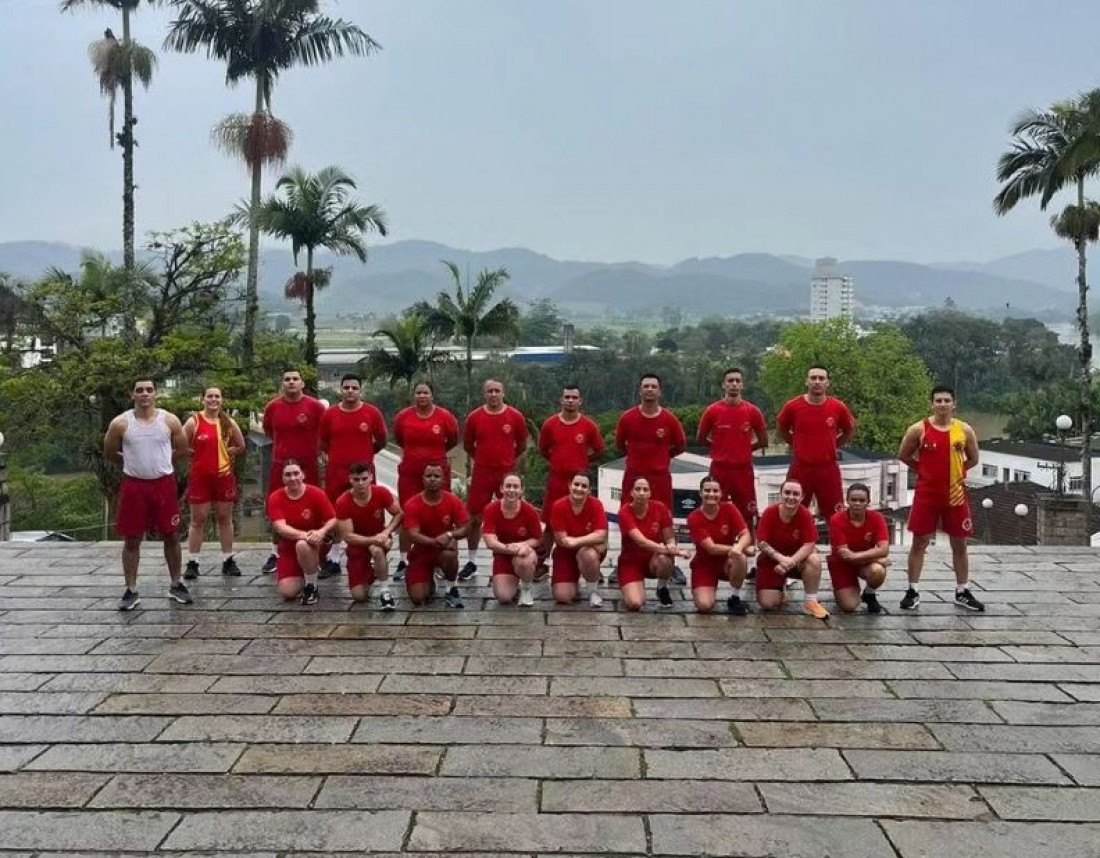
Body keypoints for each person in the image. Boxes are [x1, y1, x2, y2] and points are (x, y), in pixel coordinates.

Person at [103, 378, 191, 611]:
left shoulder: (169, 420)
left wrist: (161, 463)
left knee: (171, 535)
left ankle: (176, 583)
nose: (144, 394)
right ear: (132, 395)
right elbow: (111, 451)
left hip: (164, 485)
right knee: (132, 538)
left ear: (155, 394)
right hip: (134, 486)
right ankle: (131, 589)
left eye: (149, 390)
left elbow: (182, 449)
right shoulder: (121, 423)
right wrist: (132, 463)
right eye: (139, 390)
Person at [897, 385, 984, 612]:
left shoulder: (964, 430)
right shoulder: (919, 429)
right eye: (938, 400)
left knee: (960, 543)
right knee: (919, 542)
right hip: (927, 495)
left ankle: (962, 590)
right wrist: (923, 470)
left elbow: (973, 458)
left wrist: (956, 473)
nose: (942, 404)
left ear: (954, 404)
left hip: (955, 495)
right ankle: (912, 590)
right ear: (932, 403)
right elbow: (904, 455)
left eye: (947, 400)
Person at [615, 373, 687, 584]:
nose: (649, 389)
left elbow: (680, 445)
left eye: (653, 386)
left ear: (659, 391)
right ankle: (624, 561)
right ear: (640, 390)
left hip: (660, 478)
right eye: (645, 386)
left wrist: (661, 458)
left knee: (665, 521)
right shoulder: (627, 418)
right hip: (633, 478)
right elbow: (620, 445)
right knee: (627, 518)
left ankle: (669, 564)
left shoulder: (669, 420)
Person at [320, 373, 388, 578]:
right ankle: (333, 558)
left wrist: (365, 458)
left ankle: (371, 555)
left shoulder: (372, 413)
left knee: (367, 512)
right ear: (340, 390)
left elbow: (382, 441)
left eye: (354, 387)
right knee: (334, 514)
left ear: (360, 390)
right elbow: (322, 442)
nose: (350, 391)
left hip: (364, 475)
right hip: (337, 473)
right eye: (346, 387)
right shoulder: (330, 414)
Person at [461, 379, 529, 581]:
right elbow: (467, 445)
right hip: (482, 472)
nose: (493, 394)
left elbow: (522, 444)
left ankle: (513, 557)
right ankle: (472, 561)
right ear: (484, 394)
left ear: (503, 393)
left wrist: (508, 461)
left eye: (496, 391)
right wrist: (483, 459)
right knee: (474, 518)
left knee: (512, 514)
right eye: (489, 391)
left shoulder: (515, 416)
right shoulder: (475, 417)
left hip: (506, 472)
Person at [260, 369, 326, 574]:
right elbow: (268, 431)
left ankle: (316, 553)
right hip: (281, 465)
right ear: (282, 383)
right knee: (276, 508)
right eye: (287, 379)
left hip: (309, 466)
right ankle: (276, 553)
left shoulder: (315, 407)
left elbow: (324, 432)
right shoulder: (273, 407)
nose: (291, 382)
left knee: (312, 509)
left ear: (302, 383)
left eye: (295, 379)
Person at [392, 381, 460, 580]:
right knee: (407, 516)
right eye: (418, 392)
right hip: (410, 472)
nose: (422, 396)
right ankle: (403, 560)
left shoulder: (445, 417)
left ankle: (440, 559)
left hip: (437, 470)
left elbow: (453, 439)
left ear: (432, 395)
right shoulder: (403, 416)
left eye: (426, 392)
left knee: (441, 514)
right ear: (414, 395)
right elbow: (398, 439)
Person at [182, 387, 246, 580]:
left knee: (224, 518)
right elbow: (181, 445)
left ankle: (228, 559)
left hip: (224, 476)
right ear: (203, 399)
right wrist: (196, 455)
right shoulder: (194, 421)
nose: (213, 399)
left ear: (222, 400)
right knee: (198, 519)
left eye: (217, 396)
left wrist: (226, 453)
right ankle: (193, 561)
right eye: (209, 396)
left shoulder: (228, 422)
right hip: (200, 478)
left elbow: (241, 446)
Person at [537, 384, 605, 563]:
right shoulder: (550, 424)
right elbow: (543, 449)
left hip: (579, 483)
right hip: (557, 481)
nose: (570, 400)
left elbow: (599, 449)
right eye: (567, 397)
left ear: (580, 401)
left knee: (584, 522)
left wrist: (582, 461)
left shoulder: (589, 426)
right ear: (561, 400)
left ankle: (589, 561)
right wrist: (558, 461)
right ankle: (541, 563)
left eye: (574, 397)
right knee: (550, 525)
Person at [776, 366, 856, 518]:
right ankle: (796, 542)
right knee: (793, 511)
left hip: (828, 468)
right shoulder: (793, 406)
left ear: (827, 383)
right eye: (813, 378)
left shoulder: (838, 407)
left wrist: (834, 444)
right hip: (801, 467)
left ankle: (837, 543)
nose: (817, 382)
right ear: (807, 381)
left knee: (835, 515)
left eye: (821, 378)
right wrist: (796, 444)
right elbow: (781, 429)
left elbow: (849, 430)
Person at [697, 368, 768, 529]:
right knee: (714, 506)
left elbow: (763, 441)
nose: (734, 384)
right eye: (730, 381)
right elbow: (700, 438)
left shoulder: (752, 411)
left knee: (747, 510)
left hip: (743, 469)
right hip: (719, 469)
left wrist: (744, 448)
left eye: (737, 381)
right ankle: (715, 541)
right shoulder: (712, 411)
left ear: (742, 385)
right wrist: (719, 447)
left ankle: (748, 545)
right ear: (724, 385)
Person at [266, 459, 338, 605]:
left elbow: (333, 519)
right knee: (288, 592)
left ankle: (312, 585)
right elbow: (280, 528)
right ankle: (306, 570)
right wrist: (306, 535)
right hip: (288, 548)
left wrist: (322, 532)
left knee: (302, 545)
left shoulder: (316, 493)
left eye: (296, 473)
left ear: (303, 475)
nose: (292, 478)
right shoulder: (275, 497)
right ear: (282, 478)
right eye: (287, 475)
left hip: (316, 545)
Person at [755, 479, 829, 619]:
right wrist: (781, 559)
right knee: (767, 604)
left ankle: (811, 602)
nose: (791, 497)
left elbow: (809, 544)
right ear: (780, 494)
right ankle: (780, 589)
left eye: (796, 494)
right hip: (772, 561)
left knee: (814, 559)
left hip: (797, 560)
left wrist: (790, 562)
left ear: (801, 497)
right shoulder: (769, 512)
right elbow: (761, 542)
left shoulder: (805, 514)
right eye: (787, 493)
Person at [335, 462, 403, 609]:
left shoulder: (381, 493)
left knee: (376, 550)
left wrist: (386, 532)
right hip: (357, 544)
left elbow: (399, 513)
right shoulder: (342, 502)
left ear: (371, 477)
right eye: (356, 479)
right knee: (359, 596)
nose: (361, 483)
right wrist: (373, 539)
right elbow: (348, 536)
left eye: (364, 479)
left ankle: (385, 591)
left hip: (379, 538)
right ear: (350, 480)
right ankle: (371, 571)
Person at [401, 463, 469, 608]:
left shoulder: (453, 501)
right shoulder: (412, 504)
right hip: (421, 552)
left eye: (436, 476)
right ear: (423, 479)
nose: (432, 479)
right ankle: (427, 579)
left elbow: (465, 529)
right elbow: (412, 534)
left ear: (443, 480)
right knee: (418, 598)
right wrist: (435, 542)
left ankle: (451, 588)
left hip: (444, 550)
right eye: (429, 476)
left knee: (450, 555)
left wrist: (449, 534)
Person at [617, 476, 689, 611]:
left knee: (665, 559)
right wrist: (677, 551)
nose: (642, 492)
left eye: (645, 489)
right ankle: (631, 586)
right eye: (638, 489)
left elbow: (669, 537)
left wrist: (671, 544)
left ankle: (662, 588)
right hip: (630, 562)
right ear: (631, 493)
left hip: (653, 560)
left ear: (650, 493)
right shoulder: (624, 512)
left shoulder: (660, 508)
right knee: (635, 604)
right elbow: (641, 542)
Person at [686, 475, 752, 615]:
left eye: (715, 491)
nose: (711, 494)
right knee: (704, 606)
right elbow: (712, 548)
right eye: (707, 490)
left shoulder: (729, 508)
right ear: (700, 493)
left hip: (727, 562)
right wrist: (738, 548)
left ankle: (735, 597)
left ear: (721, 493)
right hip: (704, 565)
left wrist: (739, 547)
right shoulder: (694, 518)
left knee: (740, 557)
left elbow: (745, 534)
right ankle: (708, 589)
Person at [482, 474, 543, 607]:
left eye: (516, 487)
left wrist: (522, 545)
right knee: (504, 598)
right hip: (502, 554)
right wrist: (510, 548)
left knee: (524, 559)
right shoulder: (491, 509)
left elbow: (537, 539)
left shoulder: (530, 511)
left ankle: (526, 589)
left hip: (524, 553)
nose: (511, 490)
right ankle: (514, 585)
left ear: (522, 490)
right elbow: (490, 541)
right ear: (501, 489)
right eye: (508, 486)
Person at [828, 482, 890, 614]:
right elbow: (845, 555)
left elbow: (884, 549)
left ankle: (869, 593)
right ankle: (839, 587)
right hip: (842, 564)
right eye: (853, 500)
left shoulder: (877, 518)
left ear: (868, 502)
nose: (857, 503)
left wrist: (856, 556)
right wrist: (877, 557)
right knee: (849, 606)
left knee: (878, 571)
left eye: (861, 500)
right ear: (847, 501)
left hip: (862, 563)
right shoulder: (837, 519)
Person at [549, 473, 609, 608]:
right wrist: (591, 540)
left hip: (588, 552)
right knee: (562, 597)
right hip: (565, 553)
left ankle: (593, 591)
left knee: (587, 554)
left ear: (589, 490)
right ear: (570, 485)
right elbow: (562, 540)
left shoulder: (596, 504)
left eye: (584, 486)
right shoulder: (558, 506)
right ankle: (573, 578)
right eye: (576, 484)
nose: (579, 489)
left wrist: (576, 542)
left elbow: (601, 535)